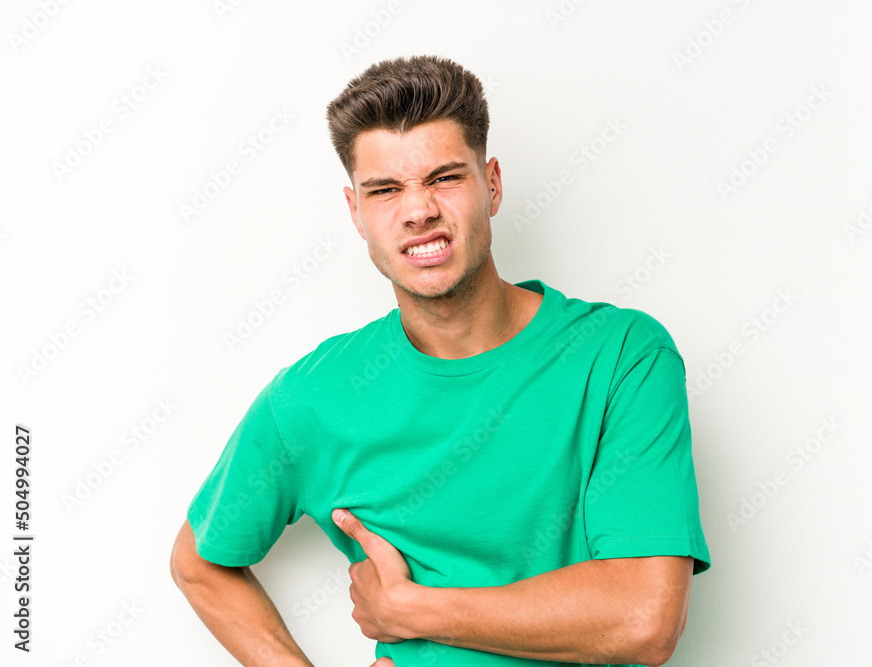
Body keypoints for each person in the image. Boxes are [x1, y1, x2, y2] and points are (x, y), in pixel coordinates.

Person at [170, 54, 711, 667]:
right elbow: (199, 563)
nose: (418, 210)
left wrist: (411, 610)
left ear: (493, 184)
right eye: (385, 190)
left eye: (445, 178)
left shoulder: (622, 357)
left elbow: (644, 622)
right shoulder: (313, 397)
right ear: (355, 212)